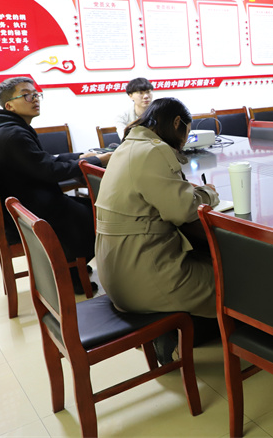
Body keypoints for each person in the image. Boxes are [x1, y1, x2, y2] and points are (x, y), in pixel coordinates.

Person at [94, 98, 220, 361]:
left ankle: (173, 331)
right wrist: (207, 194)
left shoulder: (127, 146)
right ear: (177, 123)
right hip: (143, 279)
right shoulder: (154, 151)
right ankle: (172, 335)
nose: (184, 141)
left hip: (116, 275)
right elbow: (182, 211)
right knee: (236, 281)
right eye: (186, 132)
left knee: (206, 261)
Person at [0, 76, 110, 293]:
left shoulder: (9, 129)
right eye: (27, 95)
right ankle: (72, 273)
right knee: (98, 214)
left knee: (88, 207)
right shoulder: (13, 134)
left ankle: (74, 266)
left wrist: (81, 156)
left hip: (29, 203)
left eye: (36, 94)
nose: (35, 99)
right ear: (9, 105)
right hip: (35, 212)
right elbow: (50, 171)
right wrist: (98, 161)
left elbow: (44, 160)